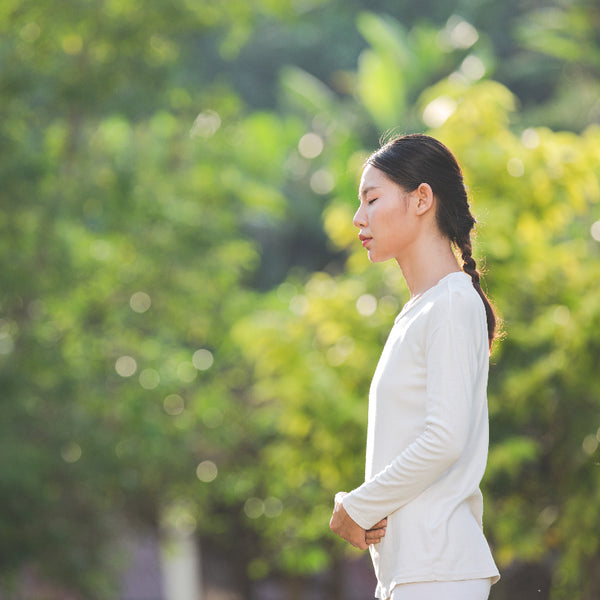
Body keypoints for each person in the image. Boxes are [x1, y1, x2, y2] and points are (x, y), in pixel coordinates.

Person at [329, 133, 501, 600]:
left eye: (372, 199)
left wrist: (358, 506)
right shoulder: (424, 309)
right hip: (414, 573)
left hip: (437, 570)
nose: (357, 218)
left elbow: (444, 438)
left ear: (422, 198)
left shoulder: (451, 303)